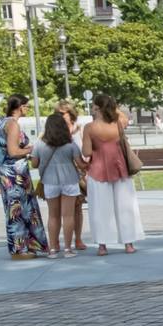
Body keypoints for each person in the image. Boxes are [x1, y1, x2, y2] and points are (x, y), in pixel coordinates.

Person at [82, 93, 145, 256]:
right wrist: (112, 105)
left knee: (100, 208)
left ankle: (102, 246)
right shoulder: (118, 123)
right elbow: (123, 116)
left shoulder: (89, 127)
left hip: (98, 170)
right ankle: (128, 244)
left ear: (95, 107)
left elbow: (87, 151)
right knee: (125, 206)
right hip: (120, 168)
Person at [0, 95, 49, 259]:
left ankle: (24, 247)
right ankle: (20, 250)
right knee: (19, 210)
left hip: (7, 172)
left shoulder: (1, 122)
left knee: (16, 209)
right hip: (15, 174)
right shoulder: (12, 125)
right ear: (20, 107)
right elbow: (13, 151)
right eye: (26, 106)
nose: (27, 109)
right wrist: (31, 149)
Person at [32, 112, 86, 258]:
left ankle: (53, 249)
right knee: (68, 216)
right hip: (69, 180)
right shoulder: (70, 144)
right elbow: (81, 164)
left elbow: (34, 164)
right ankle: (68, 249)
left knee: (53, 216)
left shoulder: (39, 144)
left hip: (49, 181)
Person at [55, 100, 88, 252]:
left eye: (62, 113)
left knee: (77, 207)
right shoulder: (52, 129)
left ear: (70, 113)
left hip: (78, 171)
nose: (60, 116)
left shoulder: (79, 129)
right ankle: (57, 241)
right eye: (58, 114)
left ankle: (78, 239)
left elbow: (85, 149)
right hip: (59, 171)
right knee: (58, 209)